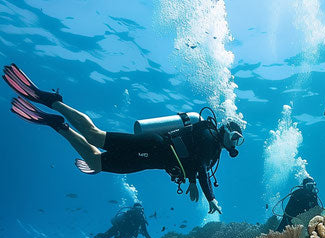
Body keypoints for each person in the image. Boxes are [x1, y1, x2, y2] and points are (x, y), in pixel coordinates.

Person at [3, 64, 245, 215]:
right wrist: (210, 198)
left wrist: (191, 181)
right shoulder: (209, 135)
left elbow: (194, 162)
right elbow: (201, 165)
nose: (235, 143)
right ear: (224, 130)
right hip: (152, 146)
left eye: (239, 141)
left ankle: (58, 125)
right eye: (235, 136)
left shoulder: (214, 148)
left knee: (95, 163)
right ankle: (52, 100)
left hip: (149, 161)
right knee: (95, 136)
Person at [74, 203, 155, 238]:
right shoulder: (128, 214)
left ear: (141, 210)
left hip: (123, 233)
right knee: (106, 236)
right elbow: (146, 234)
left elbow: (146, 234)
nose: (138, 211)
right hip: (117, 228)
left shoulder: (141, 220)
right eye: (137, 209)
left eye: (139, 209)